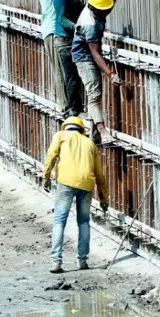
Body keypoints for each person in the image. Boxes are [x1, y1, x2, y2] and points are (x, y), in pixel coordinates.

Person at [41, 116, 108, 273]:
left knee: (59, 220)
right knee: (84, 222)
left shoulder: (60, 136)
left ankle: (56, 262)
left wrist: (46, 176)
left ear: (66, 127)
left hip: (65, 182)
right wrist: (104, 197)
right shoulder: (90, 143)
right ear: (81, 130)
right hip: (86, 184)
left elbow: (51, 155)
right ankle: (82, 261)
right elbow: (99, 174)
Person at [72, 0, 125, 143]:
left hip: (91, 55)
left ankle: (93, 136)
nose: (106, 12)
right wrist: (111, 74)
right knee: (94, 94)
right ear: (95, 9)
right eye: (103, 10)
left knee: (95, 94)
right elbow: (94, 53)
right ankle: (103, 132)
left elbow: (107, 6)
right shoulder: (90, 24)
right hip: (84, 57)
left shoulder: (96, 8)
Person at [36, 0, 74, 116]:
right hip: (51, 32)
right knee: (59, 69)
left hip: (54, 31)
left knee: (64, 69)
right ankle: (64, 106)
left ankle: (68, 104)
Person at [55, 0, 87, 115]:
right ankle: (73, 109)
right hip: (65, 41)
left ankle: (77, 106)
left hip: (72, 40)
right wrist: (76, 27)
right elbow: (61, 18)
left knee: (76, 75)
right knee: (71, 76)